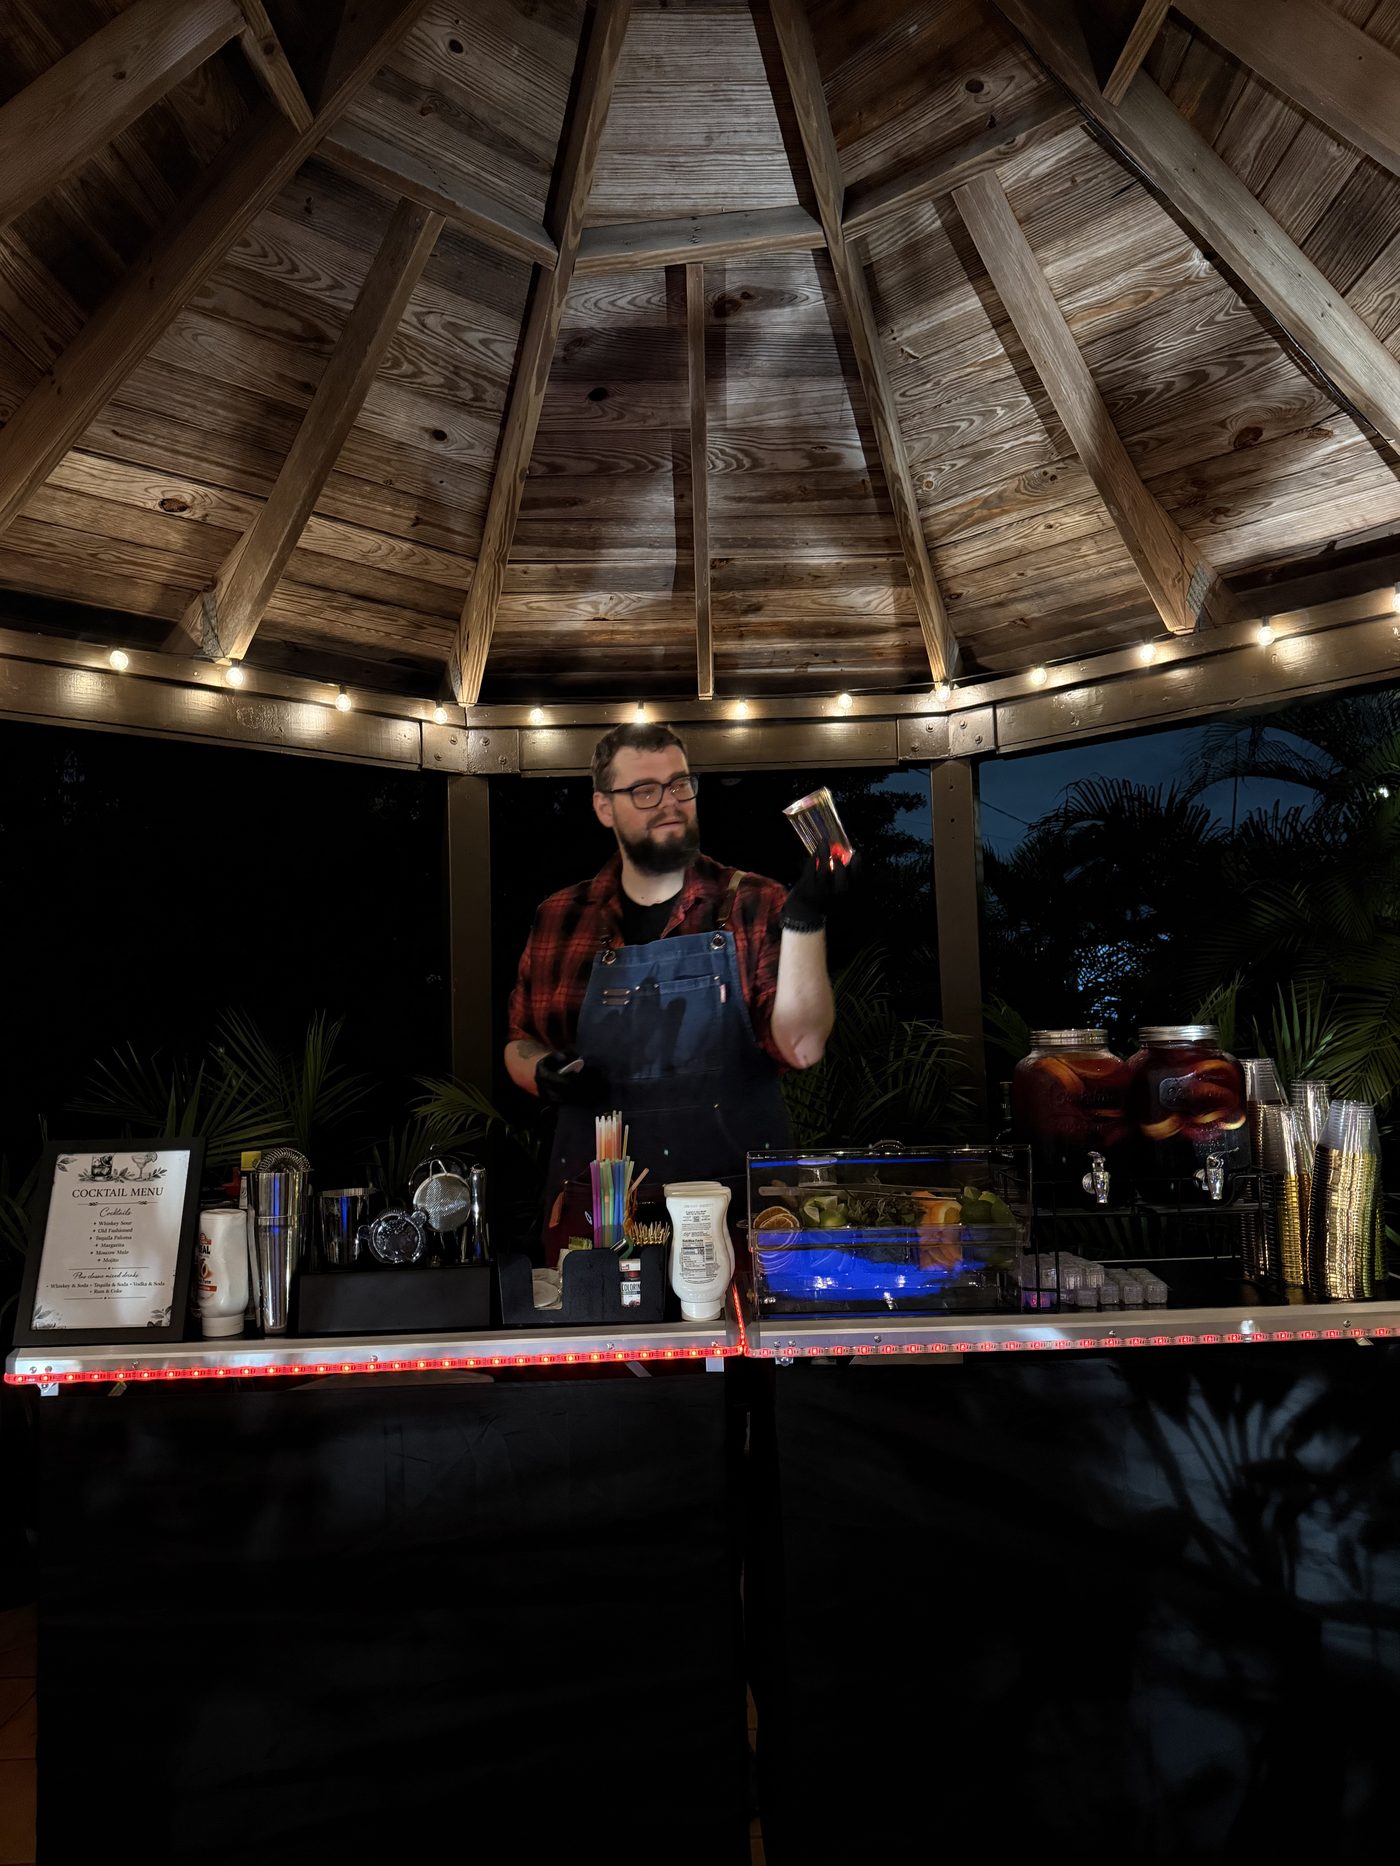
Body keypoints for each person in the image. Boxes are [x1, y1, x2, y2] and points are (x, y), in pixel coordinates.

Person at [506, 722, 855, 1251]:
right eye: (644, 791)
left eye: (680, 784)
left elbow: (802, 1046)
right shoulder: (560, 917)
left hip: (736, 1221)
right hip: (595, 1226)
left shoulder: (752, 902)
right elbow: (520, 1041)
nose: (669, 803)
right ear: (604, 808)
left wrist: (805, 917)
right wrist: (542, 1073)